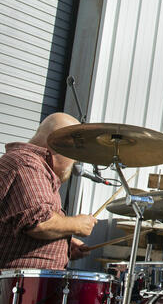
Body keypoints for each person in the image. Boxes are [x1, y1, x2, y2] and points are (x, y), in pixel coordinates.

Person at [0, 113, 98, 269]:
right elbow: (40, 222)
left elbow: (26, 224)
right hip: (16, 287)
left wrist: (62, 241)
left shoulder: (35, 167)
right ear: (58, 145)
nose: (74, 161)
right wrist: (76, 225)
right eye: (74, 155)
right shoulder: (27, 164)